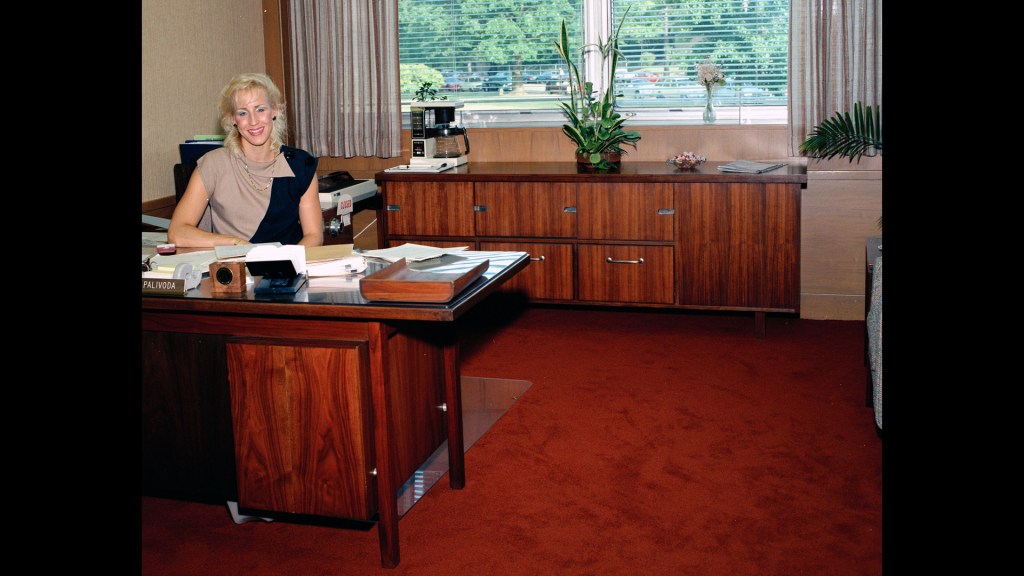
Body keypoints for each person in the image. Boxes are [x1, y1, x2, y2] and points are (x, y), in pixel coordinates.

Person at [168, 73, 323, 247]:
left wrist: (287, 261)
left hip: (288, 267)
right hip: (236, 267)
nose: (253, 121)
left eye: (260, 109)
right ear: (233, 119)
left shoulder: (301, 165)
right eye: (243, 113)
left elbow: (314, 235)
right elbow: (177, 232)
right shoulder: (213, 165)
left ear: (274, 110)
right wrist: (235, 243)